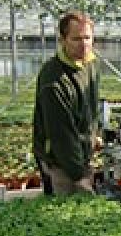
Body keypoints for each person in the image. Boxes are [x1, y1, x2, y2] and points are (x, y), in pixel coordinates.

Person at [32, 10, 101, 196]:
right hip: (58, 159)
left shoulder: (90, 65)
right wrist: (79, 176)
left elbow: (92, 106)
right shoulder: (53, 80)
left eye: (87, 38)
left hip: (80, 152)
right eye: (76, 39)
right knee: (64, 204)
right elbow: (61, 135)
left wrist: (95, 135)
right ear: (62, 40)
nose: (84, 44)